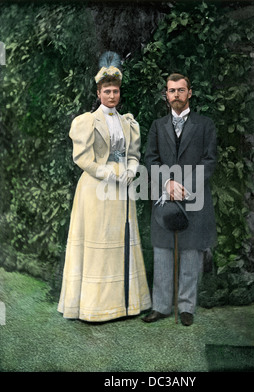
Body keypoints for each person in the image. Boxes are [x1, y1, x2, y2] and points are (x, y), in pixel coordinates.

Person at [57, 52, 151, 322]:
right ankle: (94, 308)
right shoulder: (87, 121)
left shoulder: (127, 122)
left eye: (116, 91)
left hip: (123, 190)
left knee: (121, 242)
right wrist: (108, 173)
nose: (112, 96)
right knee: (98, 246)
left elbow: (133, 154)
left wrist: (132, 169)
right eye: (107, 91)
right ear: (98, 93)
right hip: (96, 188)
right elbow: (83, 159)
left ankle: (124, 305)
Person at [142, 73, 217, 326]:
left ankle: (186, 307)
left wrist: (186, 185)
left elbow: (209, 161)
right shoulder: (157, 125)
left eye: (181, 90)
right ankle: (161, 306)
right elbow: (150, 159)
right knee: (163, 251)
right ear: (166, 95)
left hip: (194, 197)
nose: (176, 95)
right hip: (165, 197)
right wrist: (167, 183)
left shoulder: (205, 125)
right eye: (171, 91)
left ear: (190, 93)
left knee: (191, 252)